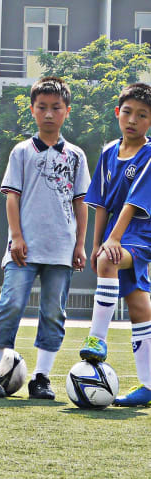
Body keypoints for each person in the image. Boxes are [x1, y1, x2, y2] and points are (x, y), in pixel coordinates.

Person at [0, 76, 89, 400]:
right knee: (10, 305)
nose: (49, 114)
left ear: (67, 111)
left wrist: (80, 244)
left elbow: (80, 203)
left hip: (61, 249)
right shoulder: (22, 152)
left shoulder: (77, 156)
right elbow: (12, 197)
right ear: (33, 110)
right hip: (24, 249)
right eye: (42, 107)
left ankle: (41, 378)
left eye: (56, 108)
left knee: (53, 312)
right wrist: (16, 237)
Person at [79, 83, 151, 406]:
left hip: (138, 235)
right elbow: (101, 205)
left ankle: (97, 340)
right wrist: (95, 245)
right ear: (116, 113)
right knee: (139, 307)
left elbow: (132, 205)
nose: (133, 120)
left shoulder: (150, 155)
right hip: (113, 233)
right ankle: (149, 387)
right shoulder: (108, 153)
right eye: (128, 112)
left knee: (109, 260)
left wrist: (111, 241)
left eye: (142, 115)